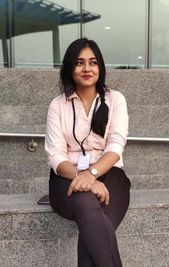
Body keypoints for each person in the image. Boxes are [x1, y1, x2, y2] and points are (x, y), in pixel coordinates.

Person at [45, 38, 131, 267]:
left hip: (110, 174)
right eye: (79, 63)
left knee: (93, 233)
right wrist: (83, 178)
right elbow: (56, 155)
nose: (87, 69)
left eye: (93, 62)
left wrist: (91, 174)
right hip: (67, 177)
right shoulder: (58, 105)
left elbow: (115, 146)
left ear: (100, 67)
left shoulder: (115, 100)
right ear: (69, 68)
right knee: (87, 208)